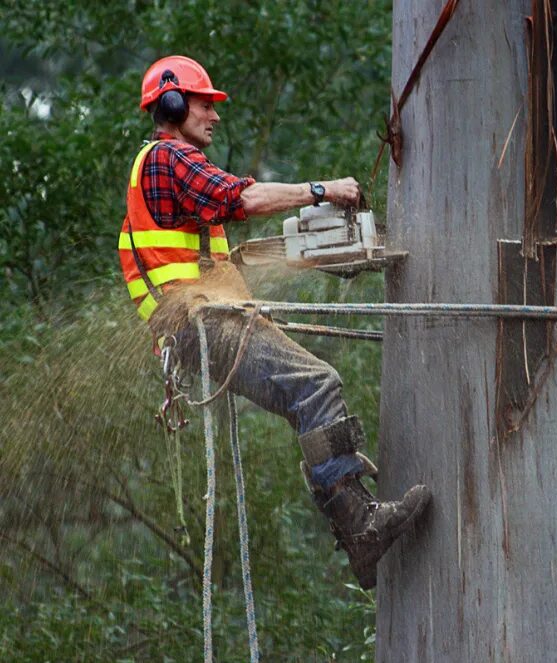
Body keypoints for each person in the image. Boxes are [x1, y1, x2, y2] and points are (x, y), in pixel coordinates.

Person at [118, 55, 430, 589]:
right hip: (200, 322)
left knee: (305, 396)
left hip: (202, 322)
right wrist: (323, 190)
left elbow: (221, 239)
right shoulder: (169, 157)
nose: (215, 116)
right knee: (315, 386)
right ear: (171, 104)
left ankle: (356, 522)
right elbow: (245, 197)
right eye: (204, 103)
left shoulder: (166, 174)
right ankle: (361, 526)